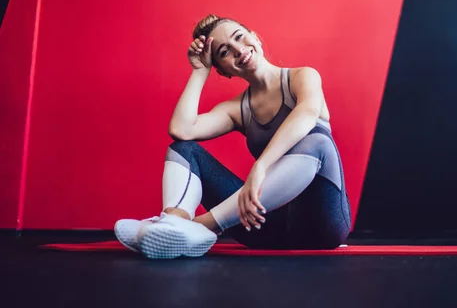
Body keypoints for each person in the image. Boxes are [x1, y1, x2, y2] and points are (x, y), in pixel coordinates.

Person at [114, 14, 352, 259]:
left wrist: (261, 166)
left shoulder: (302, 77)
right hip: (263, 225)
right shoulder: (238, 110)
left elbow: (307, 113)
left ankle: (200, 226)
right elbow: (182, 130)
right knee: (183, 148)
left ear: (255, 38)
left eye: (240, 37)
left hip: (321, 224)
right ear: (223, 71)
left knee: (318, 141)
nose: (238, 50)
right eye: (225, 52)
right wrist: (199, 71)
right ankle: (173, 222)